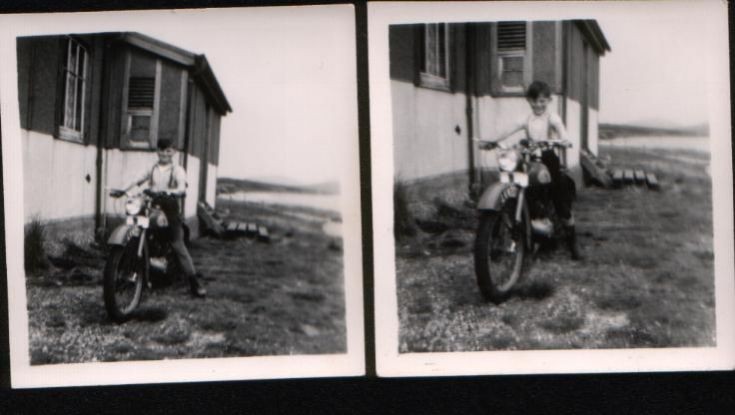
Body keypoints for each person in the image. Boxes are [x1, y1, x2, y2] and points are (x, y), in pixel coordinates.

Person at [482, 80, 582, 260]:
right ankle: (516, 233)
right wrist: (492, 140)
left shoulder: (552, 117)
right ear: (529, 101)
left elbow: (561, 130)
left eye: (542, 101)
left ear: (548, 101)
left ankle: (572, 243)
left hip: (548, 158)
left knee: (560, 198)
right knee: (520, 189)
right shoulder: (526, 118)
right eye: (535, 101)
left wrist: (564, 140)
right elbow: (508, 129)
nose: (538, 105)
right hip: (529, 159)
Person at [116, 138, 207, 297]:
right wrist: (122, 190)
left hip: (170, 208)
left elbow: (181, 186)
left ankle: (194, 282)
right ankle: (125, 272)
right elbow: (136, 180)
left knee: (178, 245)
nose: (164, 153)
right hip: (152, 206)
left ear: (173, 152)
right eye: (161, 150)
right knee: (136, 232)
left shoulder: (177, 170)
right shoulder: (152, 169)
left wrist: (175, 191)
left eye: (168, 150)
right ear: (157, 151)